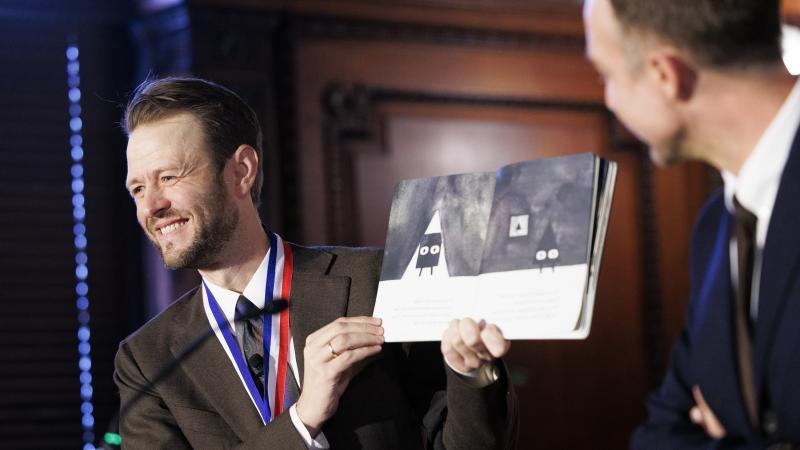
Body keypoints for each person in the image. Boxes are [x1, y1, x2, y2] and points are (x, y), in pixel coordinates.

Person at [113, 77, 518, 449]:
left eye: (168, 177)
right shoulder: (149, 360)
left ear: (241, 171)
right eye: (137, 188)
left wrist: (471, 375)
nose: (151, 205)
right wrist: (303, 419)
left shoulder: (376, 282)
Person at [583, 0, 800, 447]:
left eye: (607, 76)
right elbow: (661, 429)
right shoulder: (714, 228)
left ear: (666, 75)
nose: (609, 99)